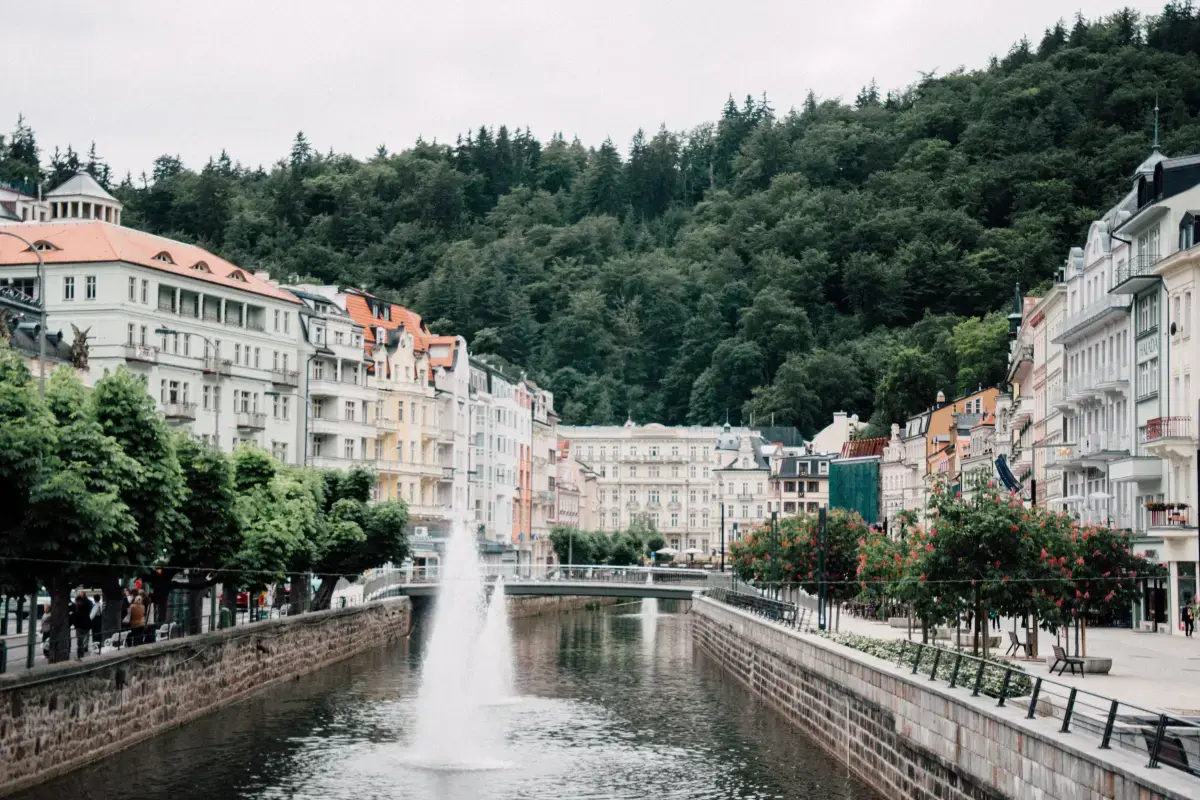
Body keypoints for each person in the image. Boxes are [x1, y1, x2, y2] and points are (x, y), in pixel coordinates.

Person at [69, 593, 94, 659]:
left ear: (78, 601)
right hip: (87, 625)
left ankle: (80, 655)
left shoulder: (77, 608)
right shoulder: (87, 605)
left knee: (79, 641)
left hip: (79, 626)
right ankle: (82, 653)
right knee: (84, 641)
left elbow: (74, 617)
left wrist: (71, 623)